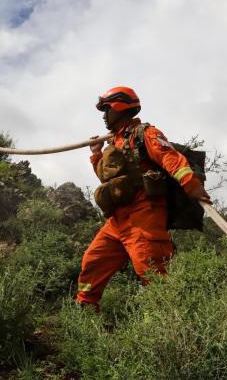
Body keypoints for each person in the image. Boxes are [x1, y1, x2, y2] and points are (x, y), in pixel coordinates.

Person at [76, 86, 211, 309]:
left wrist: (192, 186)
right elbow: (107, 178)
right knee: (93, 262)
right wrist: (96, 154)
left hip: (144, 216)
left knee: (154, 273)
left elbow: (171, 158)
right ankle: (85, 311)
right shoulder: (115, 142)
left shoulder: (146, 134)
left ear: (119, 107)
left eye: (106, 109)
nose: (104, 115)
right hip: (117, 221)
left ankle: (176, 325)